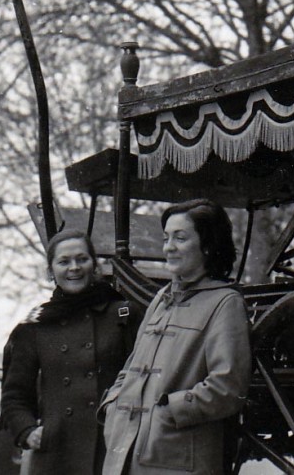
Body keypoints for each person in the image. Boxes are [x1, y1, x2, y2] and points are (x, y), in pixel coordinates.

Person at [101, 198, 252, 475]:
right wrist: (113, 404)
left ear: (207, 246)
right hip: (127, 453)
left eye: (180, 238)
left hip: (179, 459)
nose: (168, 247)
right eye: (166, 238)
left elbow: (228, 387)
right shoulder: (161, 298)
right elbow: (133, 366)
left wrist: (171, 410)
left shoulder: (225, 303)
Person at [1, 228, 139, 474]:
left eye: (82, 259)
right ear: (51, 270)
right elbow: (14, 395)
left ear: (94, 265)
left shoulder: (123, 315)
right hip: (56, 455)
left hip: (110, 451)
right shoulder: (36, 326)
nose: (74, 267)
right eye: (64, 261)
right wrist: (28, 431)